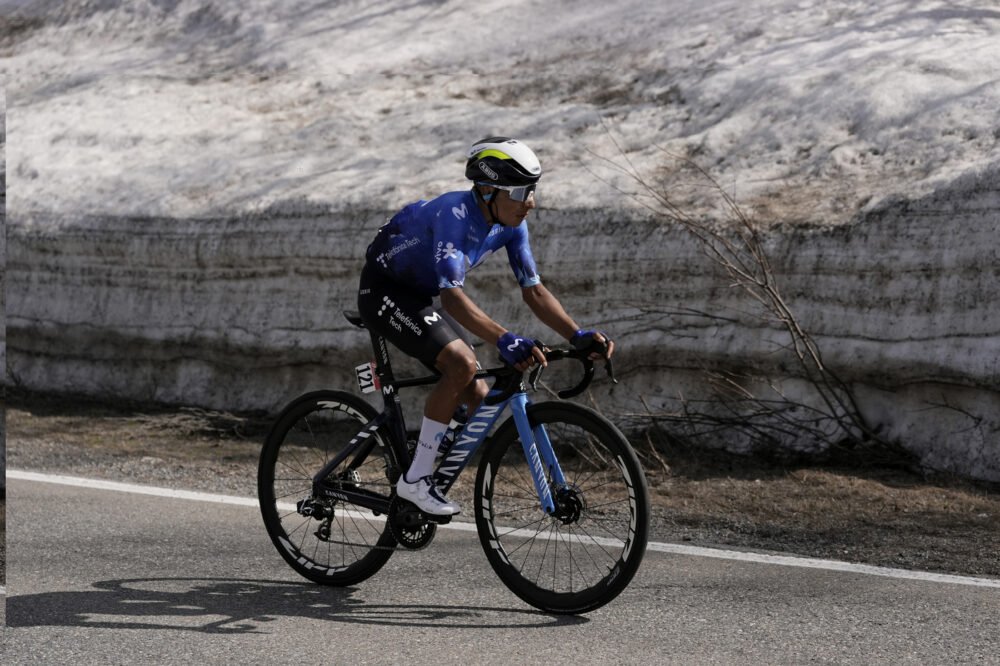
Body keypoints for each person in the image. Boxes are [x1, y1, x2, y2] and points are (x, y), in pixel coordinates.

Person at [357, 136, 613, 515]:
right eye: (523, 191)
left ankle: (429, 452)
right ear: (489, 190)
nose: (532, 203)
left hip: (418, 297)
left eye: (534, 190)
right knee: (460, 364)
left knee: (479, 398)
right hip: (383, 291)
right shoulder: (454, 216)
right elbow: (452, 299)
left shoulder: (511, 224)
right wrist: (505, 338)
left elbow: (534, 291)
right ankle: (415, 481)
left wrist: (576, 334)